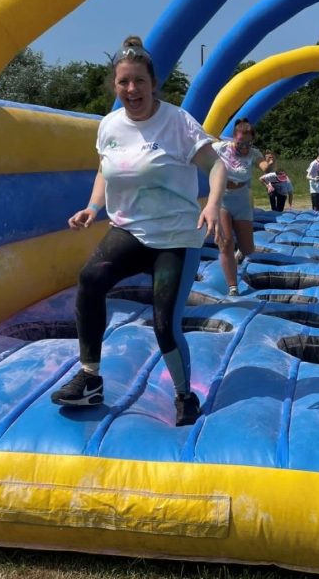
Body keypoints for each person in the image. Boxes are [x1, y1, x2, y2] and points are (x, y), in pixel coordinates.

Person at [51, 36, 227, 427]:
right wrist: (93, 208)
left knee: (164, 323)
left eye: (139, 82)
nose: (132, 90)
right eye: (124, 83)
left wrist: (212, 203)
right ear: (116, 86)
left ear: (153, 83)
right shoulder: (110, 125)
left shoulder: (177, 122)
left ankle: (185, 395)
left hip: (175, 237)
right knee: (90, 279)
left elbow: (216, 166)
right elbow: (106, 169)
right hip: (129, 230)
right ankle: (90, 377)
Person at [214, 118, 269, 297]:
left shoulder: (253, 153)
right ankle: (233, 286)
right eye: (240, 143)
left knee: (248, 250)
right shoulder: (221, 148)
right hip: (222, 198)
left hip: (242, 200)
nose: (244, 147)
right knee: (226, 242)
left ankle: (240, 254)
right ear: (233, 139)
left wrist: (269, 164)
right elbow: (199, 149)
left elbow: (264, 166)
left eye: (247, 143)